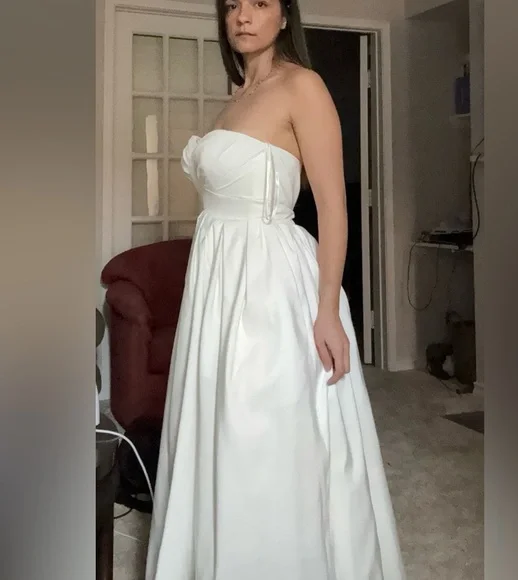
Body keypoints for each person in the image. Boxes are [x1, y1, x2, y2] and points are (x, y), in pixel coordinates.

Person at [145, 0, 405, 578]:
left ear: (285, 16)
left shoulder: (302, 87)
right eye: (233, 5)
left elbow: (334, 209)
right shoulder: (236, 98)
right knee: (215, 420)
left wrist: (328, 310)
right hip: (217, 282)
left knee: (259, 423)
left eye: (259, 3)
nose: (243, 16)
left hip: (268, 282)